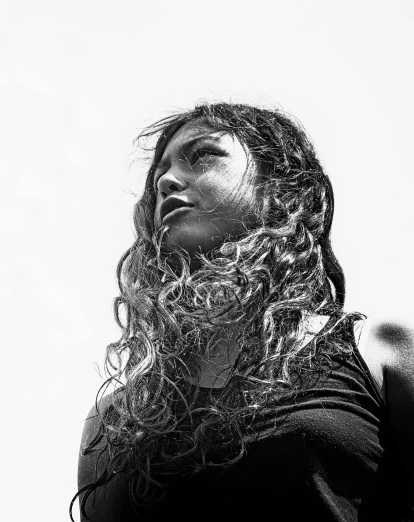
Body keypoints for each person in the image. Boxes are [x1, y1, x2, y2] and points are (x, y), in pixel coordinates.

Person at [73, 102, 414, 521]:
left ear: (279, 189)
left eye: (202, 156)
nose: (166, 180)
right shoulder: (113, 422)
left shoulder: (381, 353)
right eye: (159, 172)